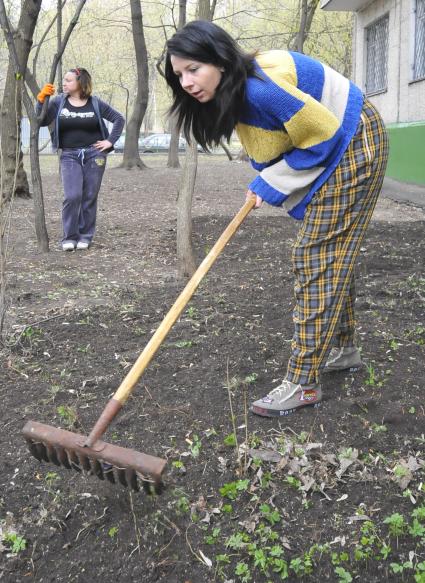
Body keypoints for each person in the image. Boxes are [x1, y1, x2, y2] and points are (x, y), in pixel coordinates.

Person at [165, 20, 389, 417]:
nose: (186, 81)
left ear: (219, 60)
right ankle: (343, 348)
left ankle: (303, 382)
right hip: (343, 138)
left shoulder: (258, 89)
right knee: (330, 253)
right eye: (179, 73)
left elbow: (323, 134)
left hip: (356, 138)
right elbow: (277, 140)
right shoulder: (234, 90)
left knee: (316, 254)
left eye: (193, 69)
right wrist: (267, 179)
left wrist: (271, 181)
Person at [37, 68, 125, 251]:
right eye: (64, 80)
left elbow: (118, 119)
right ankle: (69, 237)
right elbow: (41, 120)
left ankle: (85, 235)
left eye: (69, 80)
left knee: (89, 196)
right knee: (72, 196)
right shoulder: (59, 102)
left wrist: (110, 141)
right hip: (69, 155)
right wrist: (41, 100)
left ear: (80, 82)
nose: (64, 83)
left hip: (94, 155)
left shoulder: (95, 103)